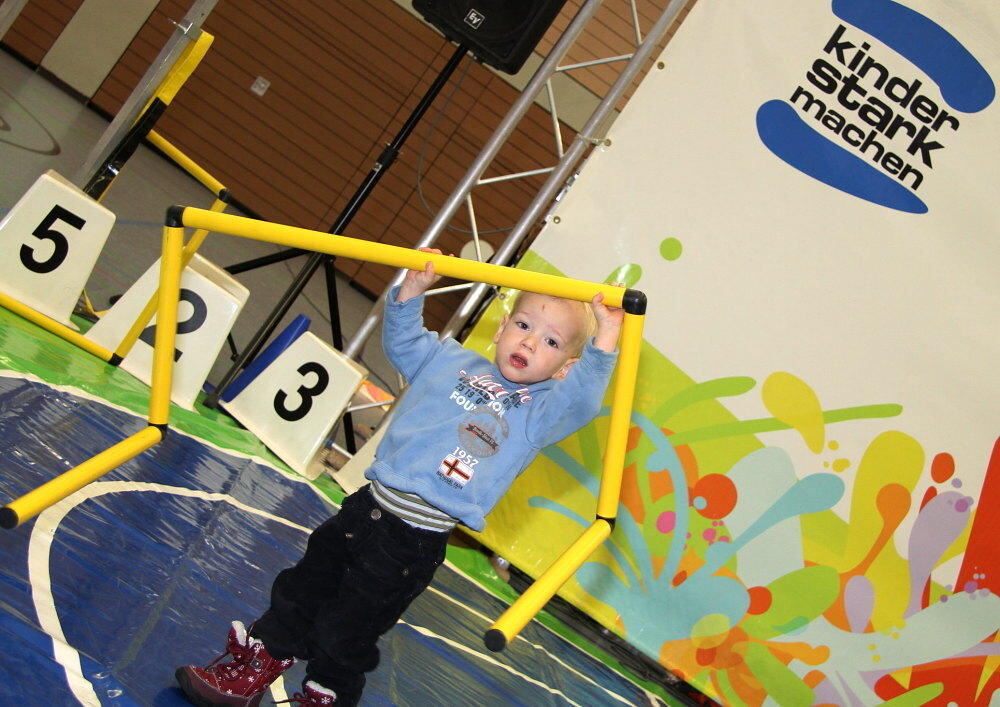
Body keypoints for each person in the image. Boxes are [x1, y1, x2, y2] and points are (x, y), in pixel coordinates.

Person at [176, 250, 624, 706]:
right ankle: (252, 667)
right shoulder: (452, 361)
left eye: (551, 342)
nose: (529, 343)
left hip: (408, 543)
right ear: (504, 325)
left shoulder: (541, 412)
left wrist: (605, 337)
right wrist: (410, 293)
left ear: (566, 366)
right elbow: (405, 343)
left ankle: (324, 696)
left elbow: (582, 400)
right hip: (364, 508)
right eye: (525, 326)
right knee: (299, 591)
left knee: (346, 631)